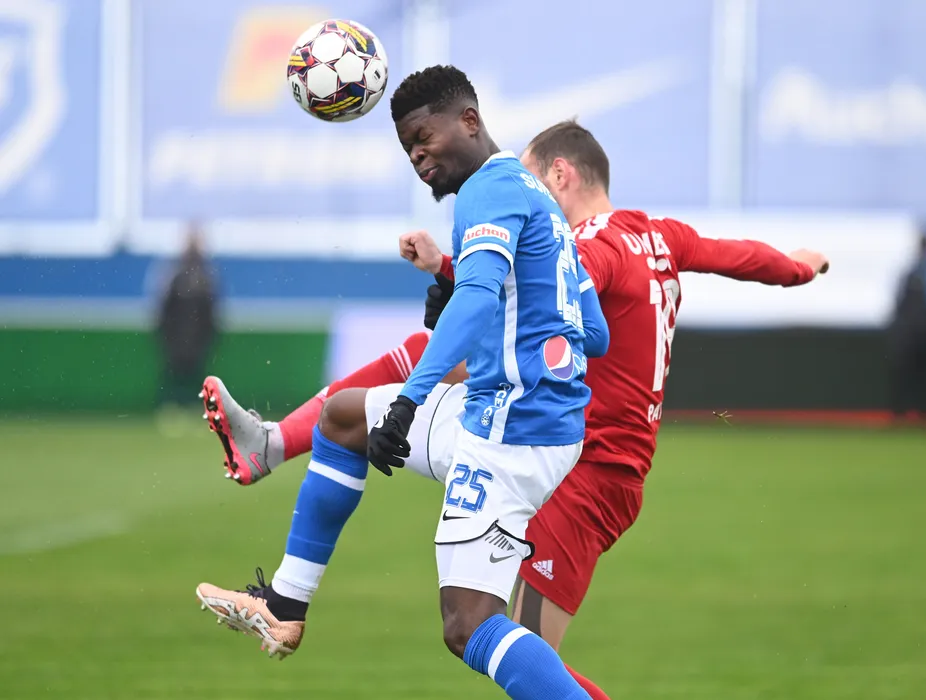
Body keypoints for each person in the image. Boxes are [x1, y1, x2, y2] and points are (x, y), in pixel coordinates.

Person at [198, 120, 829, 700]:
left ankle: (274, 446)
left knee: (515, 651)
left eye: (532, 179)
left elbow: (537, 285)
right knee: (508, 647)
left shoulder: (593, 246)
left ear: (561, 174)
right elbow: (739, 256)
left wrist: (452, 269)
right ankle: (276, 452)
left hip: (583, 470)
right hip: (594, 461)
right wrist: (800, 269)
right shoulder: (659, 236)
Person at [197, 66, 609, 700]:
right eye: (407, 148)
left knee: (468, 625)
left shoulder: (487, 191)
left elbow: (480, 297)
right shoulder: (538, 201)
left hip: (510, 434)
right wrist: (477, 294)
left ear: (469, 121)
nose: (418, 157)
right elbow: (595, 332)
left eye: (425, 138)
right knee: (343, 418)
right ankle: (284, 604)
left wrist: (412, 399)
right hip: (514, 415)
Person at [155, 224, 217, 407]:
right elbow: (164, 307)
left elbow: (211, 310)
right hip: (176, 338)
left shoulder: (206, 276)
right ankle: (170, 404)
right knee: (174, 374)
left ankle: (199, 406)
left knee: (197, 375)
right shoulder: (175, 274)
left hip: (197, 339)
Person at [889, 228, 926, 420]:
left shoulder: (919, 272)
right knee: (908, 373)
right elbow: (900, 304)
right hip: (913, 332)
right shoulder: (912, 272)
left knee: (925, 374)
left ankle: (923, 412)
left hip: (924, 332)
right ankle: (902, 413)